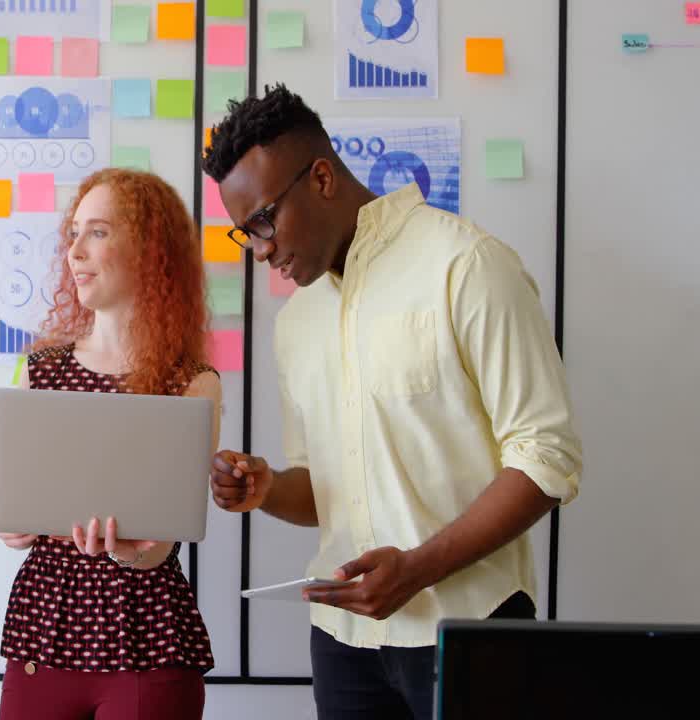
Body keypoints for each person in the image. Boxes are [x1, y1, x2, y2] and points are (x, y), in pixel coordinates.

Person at [202, 84, 583, 720]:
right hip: (343, 642)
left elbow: (548, 458)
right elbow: (327, 492)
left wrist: (417, 569)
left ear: (321, 177)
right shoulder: (297, 322)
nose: (261, 249)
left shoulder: (467, 266)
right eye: (246, 235)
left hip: (470, 627)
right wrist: (266, 488)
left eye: (264, 221)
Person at [0, 168, 222, 720]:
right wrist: (14, 526)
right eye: (73, 233)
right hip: (44, 630)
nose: (74, 250)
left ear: (149, 249)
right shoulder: (40, 370)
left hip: (147, 637)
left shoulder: (192, 383)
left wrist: (126, 549)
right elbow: (11, 522)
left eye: (97, 232)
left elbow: (166, 541)